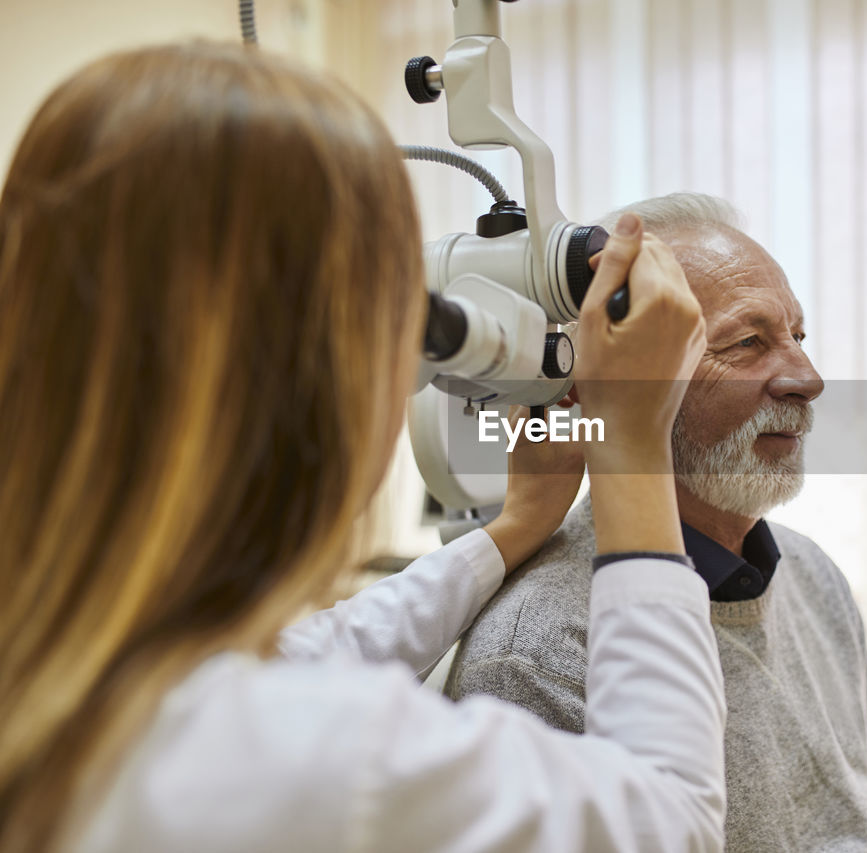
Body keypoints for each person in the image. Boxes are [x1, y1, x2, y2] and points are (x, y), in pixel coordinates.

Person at [0, 44, 724, 852]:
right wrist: (629, 440)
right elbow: (673, 820)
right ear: (321, 377)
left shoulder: (67, 658)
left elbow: (310, 653)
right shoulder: (319, 761)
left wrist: (513, 527)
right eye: (408, 322)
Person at [447, 193, 867, 852]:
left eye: (797, 337)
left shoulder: (813, 575)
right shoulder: (538, 655)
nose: (807, 377)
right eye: (748, 342)